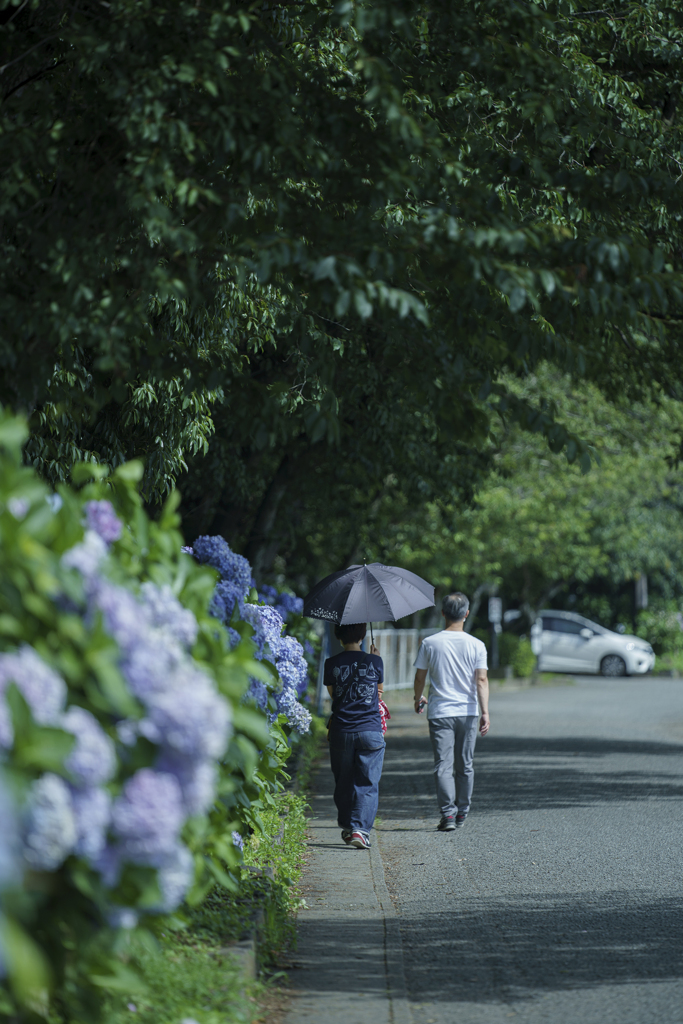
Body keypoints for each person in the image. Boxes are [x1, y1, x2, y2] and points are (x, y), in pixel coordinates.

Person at [413, 592, 490, 831]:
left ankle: (447, 814)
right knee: (465, 764)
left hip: (439, 712)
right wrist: (485, 712)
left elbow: (419, 676)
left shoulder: (430, 643)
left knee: (443, 765)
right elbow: (481, 680)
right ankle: (462, 813)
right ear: (466, 614)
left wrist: (418, 698)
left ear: (443, 613)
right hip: (468, 712)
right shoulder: (477, 645)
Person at [325, 622, 385, 850]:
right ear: (362, 635)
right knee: (367, 782)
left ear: (338, 636)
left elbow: (334, 695)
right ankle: (360, 829)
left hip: (341, 731)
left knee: (343, 781)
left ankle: (349, 827)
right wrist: (374, 658)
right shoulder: (375, 661)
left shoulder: (331, 663)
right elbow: (378, 693)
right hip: (370, 731)